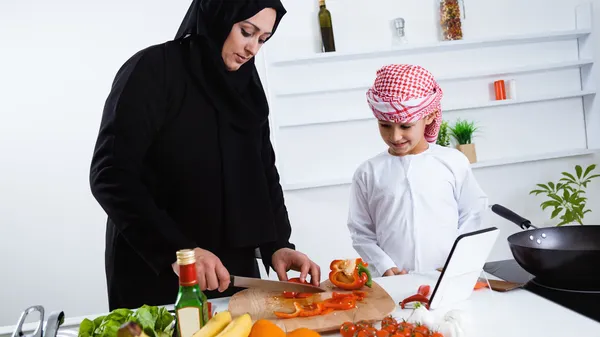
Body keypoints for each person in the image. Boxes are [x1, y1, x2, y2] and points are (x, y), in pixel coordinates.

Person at [89, 0, 320, 311]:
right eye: (246, 32)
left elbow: (262, 171)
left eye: (262, 39)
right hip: (155, 271)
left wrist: (277, 245)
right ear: (218, 16)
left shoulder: (247, 85)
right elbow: (111, 174)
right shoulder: (153, 70)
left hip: (231, 273)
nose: (252, 48)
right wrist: (180, 252)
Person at [346, 64, 489, 278]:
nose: (395, 137)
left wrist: (456, 260)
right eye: (385, 126)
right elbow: (361, 232)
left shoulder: (453, 161)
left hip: (448, 276)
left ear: (429, 116)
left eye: (405, 126)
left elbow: (473, 214)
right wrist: (384, 265)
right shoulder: (368, 172)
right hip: (392, 281)